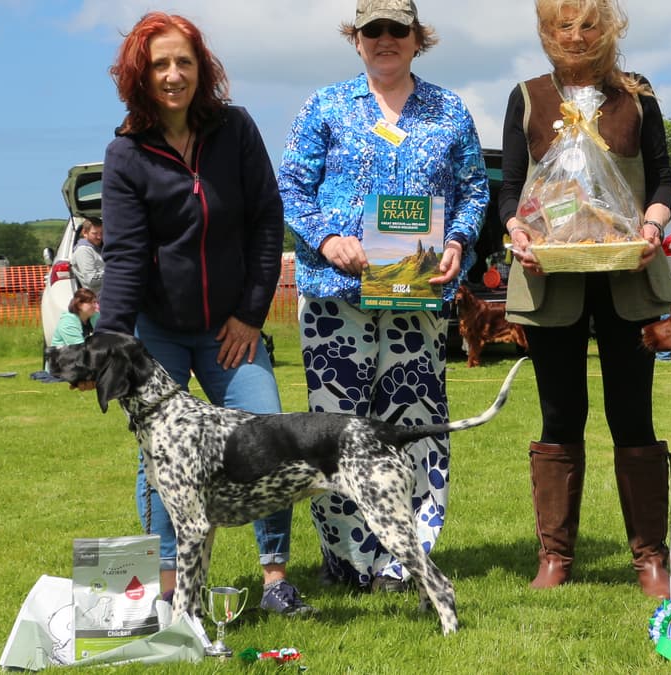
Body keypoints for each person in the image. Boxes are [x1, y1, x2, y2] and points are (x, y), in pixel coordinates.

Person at [99, 12, 312, 615]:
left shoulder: (236, 129)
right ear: (140, 75)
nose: (173, 75)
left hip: (232, 330)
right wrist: (111, 341)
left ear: (202, 68)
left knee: (268, 432)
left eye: (183, 62)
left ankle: (275, 583)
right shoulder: (125, 154)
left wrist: (249, 314)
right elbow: (125, 256)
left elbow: (268, 222)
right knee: (161, 460)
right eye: (160, 64)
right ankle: (165, 593)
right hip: (158, 333)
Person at [278, 0, 488, 592]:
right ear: (356, 39)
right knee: (335, 434)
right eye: (374, 31)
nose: (386, 40)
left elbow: (474, 191)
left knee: (416, 427)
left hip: (416, 301)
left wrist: (458, 242)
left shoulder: (449, 110)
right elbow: (291, 187)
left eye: (398, 29)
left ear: (418, 38)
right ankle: (349, 561)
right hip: (335, 297)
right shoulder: (324, 106)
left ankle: (406, 560)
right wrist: (327, 236)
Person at [499, 0, 671, 597]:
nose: (574, 36)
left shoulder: (637, 94)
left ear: (610, 30)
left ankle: (651, 558)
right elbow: (511, 187)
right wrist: (519, 233)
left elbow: (661, 178)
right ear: (546, 32)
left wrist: (651, 227)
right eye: (562, 25)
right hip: (552, 275)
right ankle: (555, 556)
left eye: (587, 24)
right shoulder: (526, 96)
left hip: (628, 274)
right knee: (559, 413)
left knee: (633, 415)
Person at [70, 217, 105, 293]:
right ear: (85, 233)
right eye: (95, 233)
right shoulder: (84, 250)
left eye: (101, 233)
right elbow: (91, 280)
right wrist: (115, 273)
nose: (99, 237)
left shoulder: (98, 249)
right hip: (98, 297)